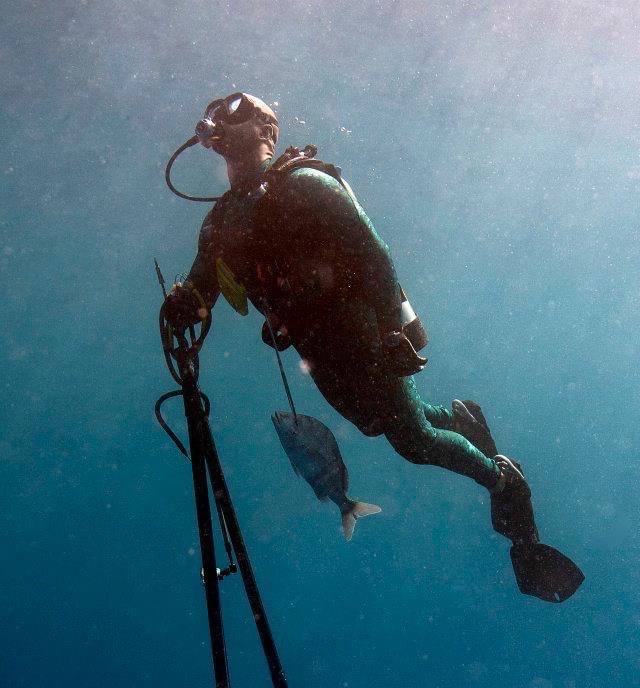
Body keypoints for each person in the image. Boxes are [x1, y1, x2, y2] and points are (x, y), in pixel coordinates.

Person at [162, 92, 583, 602]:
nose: (221, 121)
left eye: (238, 112)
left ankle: (504, 483)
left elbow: (373, 252)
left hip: (358, 328)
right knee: (372, 422)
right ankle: (461, 419)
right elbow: (204, 287)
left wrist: (394, 330)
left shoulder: (302, 184)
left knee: (413, 442)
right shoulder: (220, 223)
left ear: (267, 133)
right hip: (314, 347)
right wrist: (184, 304)